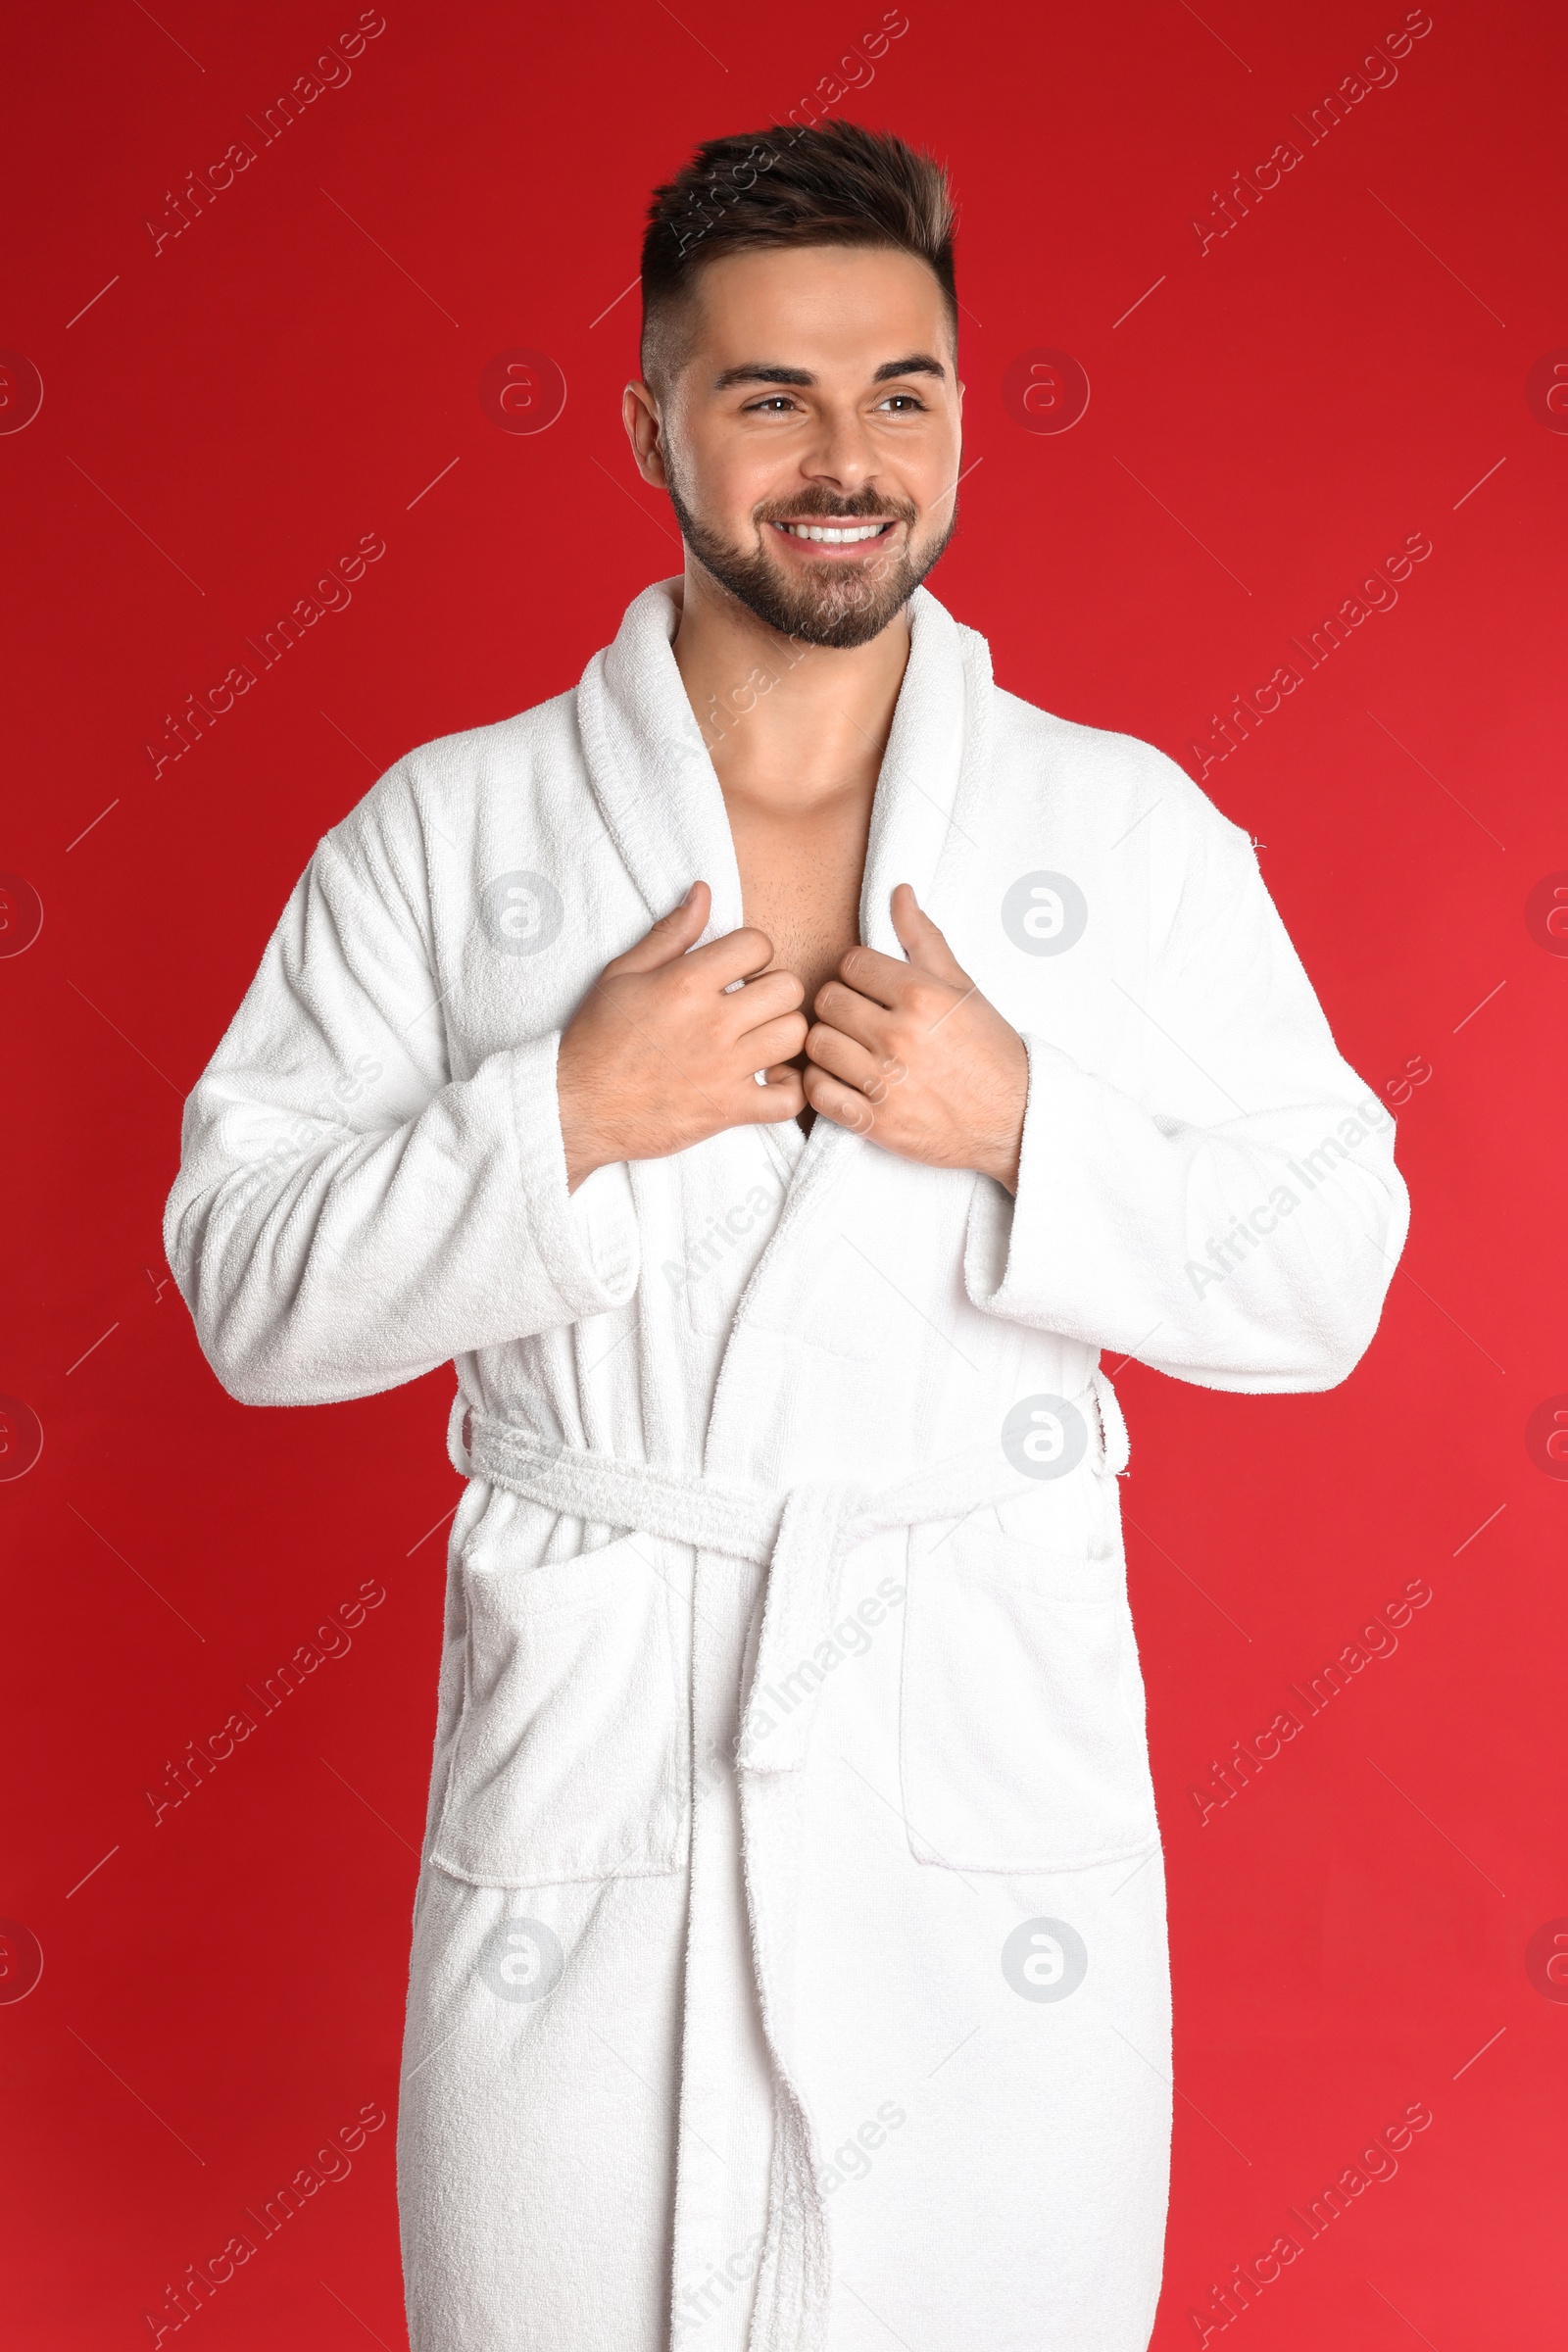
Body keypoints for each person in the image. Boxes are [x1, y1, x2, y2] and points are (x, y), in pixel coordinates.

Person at [164, 120, 1409, 2352]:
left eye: (899, 391)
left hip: (974, 1814)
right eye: (768, 397)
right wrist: (556, 1120)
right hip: (595, 1816)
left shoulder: (1114, 834)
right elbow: (247, 1287)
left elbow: (1331, 1265)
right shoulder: (448, 837)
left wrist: (1023, 1120)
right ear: (650, 418)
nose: (845, 459)